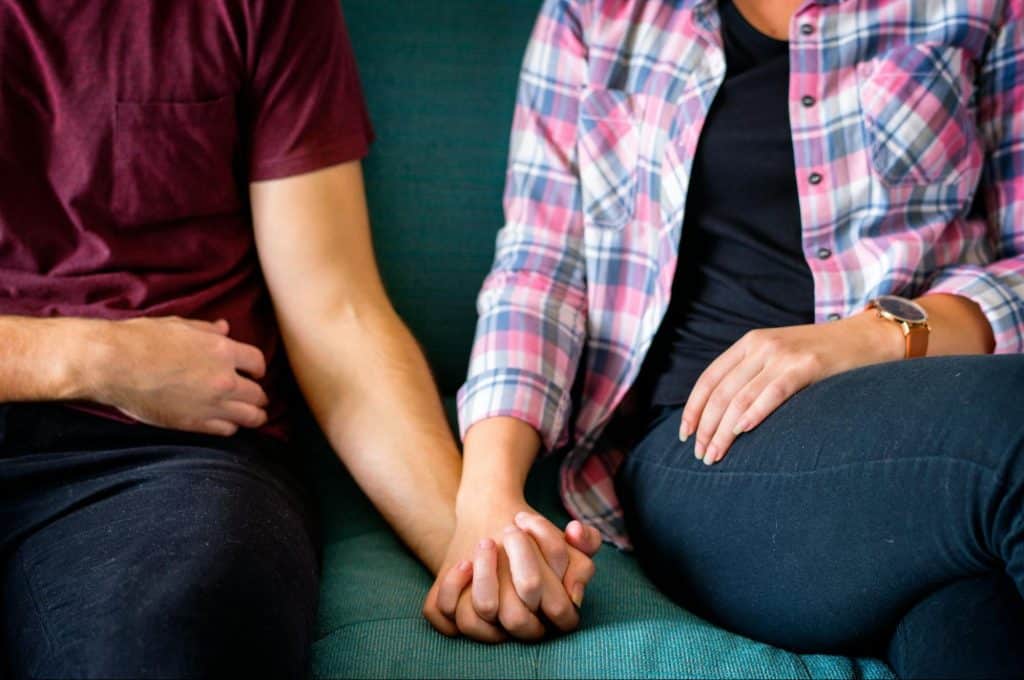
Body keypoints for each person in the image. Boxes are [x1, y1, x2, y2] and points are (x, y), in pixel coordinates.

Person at [0, 1, 601, 676]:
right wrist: (89, 357)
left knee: (182, 644)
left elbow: (336, 312)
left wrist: (473, 548)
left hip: (172, 456)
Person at [430, 0, 1024, 676]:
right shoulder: (595, 13)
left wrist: (872, 335)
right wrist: (486, 498)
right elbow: (540, 270)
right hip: (711, 440)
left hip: (937, 411)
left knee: (976, 624)